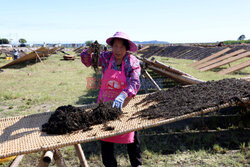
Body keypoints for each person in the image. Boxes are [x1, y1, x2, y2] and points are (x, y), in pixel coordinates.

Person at [81, 32, 142, 167]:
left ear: (127, 48)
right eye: (115, 46)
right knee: (107, 142)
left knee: (132, 141)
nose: (118, 50)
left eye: (121, 47)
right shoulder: (106, 58)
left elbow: (135, 82)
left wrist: (124, 94)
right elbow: (87, 61)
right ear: (111, 47)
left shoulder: (132, 61)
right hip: (105, 106)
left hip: (125, 105)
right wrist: (90, 51)